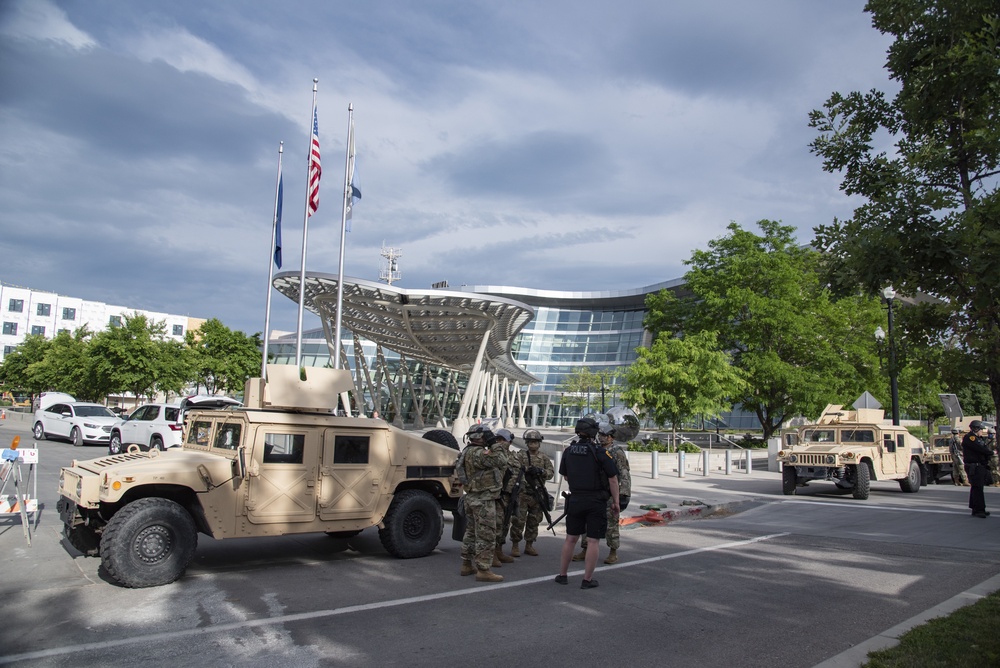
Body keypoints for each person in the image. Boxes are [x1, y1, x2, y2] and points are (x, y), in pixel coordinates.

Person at [555, 417, 620, 589]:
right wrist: (616, 502)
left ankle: (562, 575)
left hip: (575, 499)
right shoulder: (600, 452)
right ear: (593, 432)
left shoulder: (569, 451)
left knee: (570, 539)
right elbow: (613, 479)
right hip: (595, 501)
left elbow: (566, 475)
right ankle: (587, 579)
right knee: (593, 541)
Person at [574, 421, 632, 564]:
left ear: (611, 437)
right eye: (600, 434)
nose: (601, 437)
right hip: (594, 492)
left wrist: (624, 494)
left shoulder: (617, 452)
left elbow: (624, 473)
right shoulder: (594, 449)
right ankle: (585, 549)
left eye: (604, 435)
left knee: (611, 523)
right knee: (588, 523)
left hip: (610, 493)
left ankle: (613, 552)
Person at [458, 425, 509, 582]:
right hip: (483, 499)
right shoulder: (479, 453)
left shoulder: (467, 451)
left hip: (472, 497)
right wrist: (494, 443)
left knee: (471, 532)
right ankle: (483, 569)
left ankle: (466, 564)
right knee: (486, 535)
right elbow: (502, 459)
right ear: (482, 437)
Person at [509, 429, 555, 557]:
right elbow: (514, 468)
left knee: (534, 521)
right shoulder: (521, 455)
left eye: (535, 442)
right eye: (530, 442)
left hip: (538, 494)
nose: (533, 444)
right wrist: (527, 470)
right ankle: (515, 545)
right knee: (518, 521)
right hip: (523, 493)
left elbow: (551, 473)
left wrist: (541, 471)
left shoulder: (544, 458)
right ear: (526, 443)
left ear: (539, 443)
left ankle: (529, 545)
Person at [492, 428, 517, 567]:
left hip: (511, 495)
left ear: (510, 441)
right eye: (498, 440)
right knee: (496, 525)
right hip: (498, 495)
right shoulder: (493, 454)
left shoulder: (515, 456)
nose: (500, 443)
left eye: (503, 440)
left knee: (505, 524)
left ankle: (499, 550)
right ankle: (493, 554)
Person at [961, 420, 993, 518]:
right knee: (977, 488)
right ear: (975, 428)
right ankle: (979, 510)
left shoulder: (977, 438)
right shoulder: (970, 438)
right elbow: (981, 449)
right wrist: (990, 453)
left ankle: (976, 508)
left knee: (976, 488)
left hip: (979, 466)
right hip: (974, 466)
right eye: (980, 429)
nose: (981, 431)